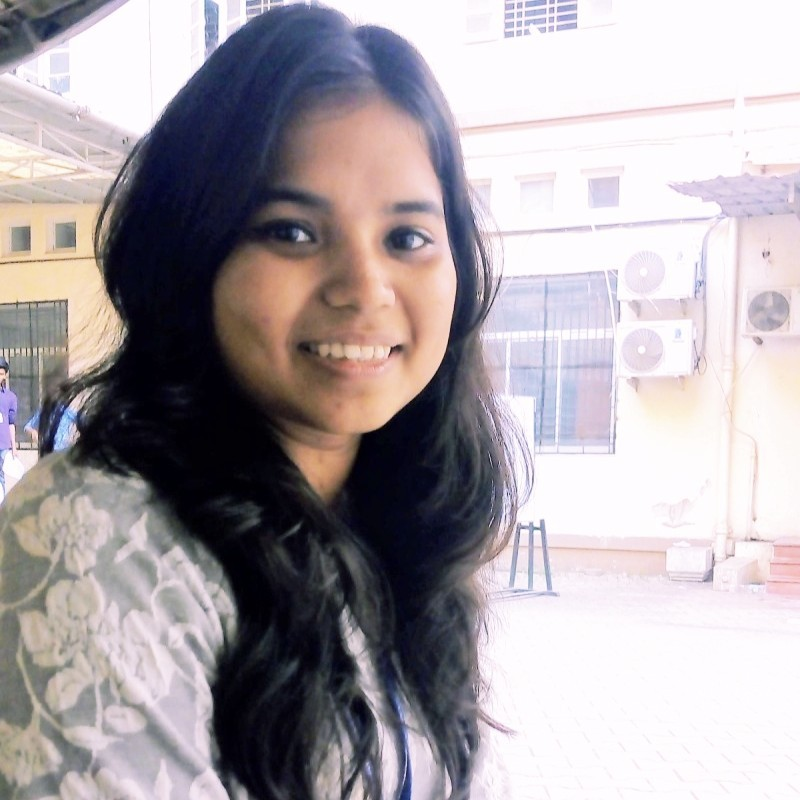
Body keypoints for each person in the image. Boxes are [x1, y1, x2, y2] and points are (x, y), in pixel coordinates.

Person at [0, 5, 528, 799]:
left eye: (407, 238)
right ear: (192, 250)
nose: (365, 289)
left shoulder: (391, 527)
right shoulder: (95, 537)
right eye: (292, 232)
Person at [23, 367, 78, 452]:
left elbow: (84, 424)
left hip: (63, 451)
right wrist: (33, 432)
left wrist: (75, 440)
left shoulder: (67, 411)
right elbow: (27, 427)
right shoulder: (44, 412)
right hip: (47, 451)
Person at [0, 355, 18, 498]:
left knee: (1, 478)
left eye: (1, 373)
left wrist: (13, 446)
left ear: (5, 375)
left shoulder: (10, 397)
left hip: (2, 444)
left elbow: (11, 423)